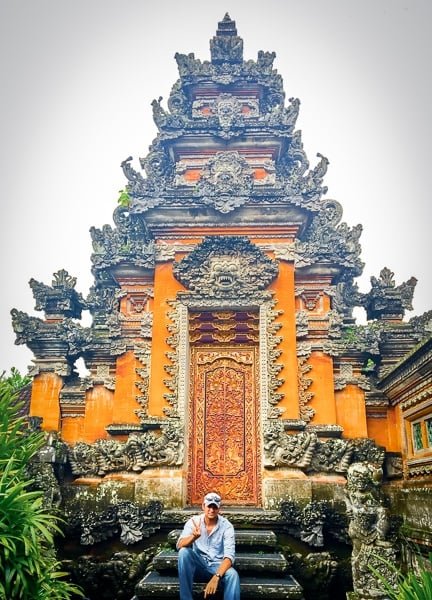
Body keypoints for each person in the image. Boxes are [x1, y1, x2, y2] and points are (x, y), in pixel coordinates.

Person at [177, 492, 240, 599]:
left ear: (219, 509)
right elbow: (179, 545)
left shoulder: (227, 526)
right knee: (183, 552)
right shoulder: (194, 521)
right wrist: (193, 537)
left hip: (217, 567)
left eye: (215, 507)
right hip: (198, 567)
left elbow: (229, 557)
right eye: (209, 506)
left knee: (233, 575)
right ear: (203, 506)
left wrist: (216, 576)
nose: (211, 510)